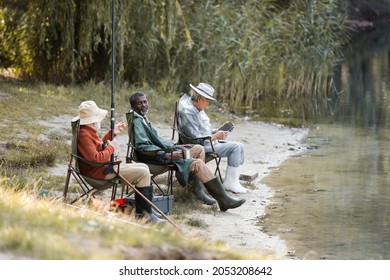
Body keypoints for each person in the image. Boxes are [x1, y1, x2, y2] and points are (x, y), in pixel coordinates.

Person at [129, 92, 246, 211]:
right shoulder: (137, 121)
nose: (143, 105)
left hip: (162, 152)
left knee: (198, 149)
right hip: (155, 158)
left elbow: (156, 140)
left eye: (145, 102)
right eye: (139, 103)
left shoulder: (142, 118)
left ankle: (196, 190)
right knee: (198, 163)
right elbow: (143, 147)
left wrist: (175, 146)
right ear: (133, 105)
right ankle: (224, 200)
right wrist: (168, 154)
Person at [73, 100, 164, 223]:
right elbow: (96, 158)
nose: (100, 121)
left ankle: (146, 211)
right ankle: (144, 215)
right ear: (93, 121)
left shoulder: (87, 131)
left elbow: (98, 146)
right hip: (99, 172)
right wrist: (112, 148)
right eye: (98, 119)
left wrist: (112, 133)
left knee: (143, 167)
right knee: (143, 172)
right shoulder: (85, 135)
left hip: (100, 168)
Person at [177, 82, 248, 194]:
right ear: (199, 98)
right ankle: (230, 183)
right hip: (199, 147)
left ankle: (234, 181)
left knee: (240, 146)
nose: (207, 104)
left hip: (208, 142)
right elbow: (195, 139)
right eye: (207, 100)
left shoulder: (197, 110)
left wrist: (218, 131)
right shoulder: (189, 112)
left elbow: (204, 131)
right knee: (236, 147)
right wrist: (215, 136)